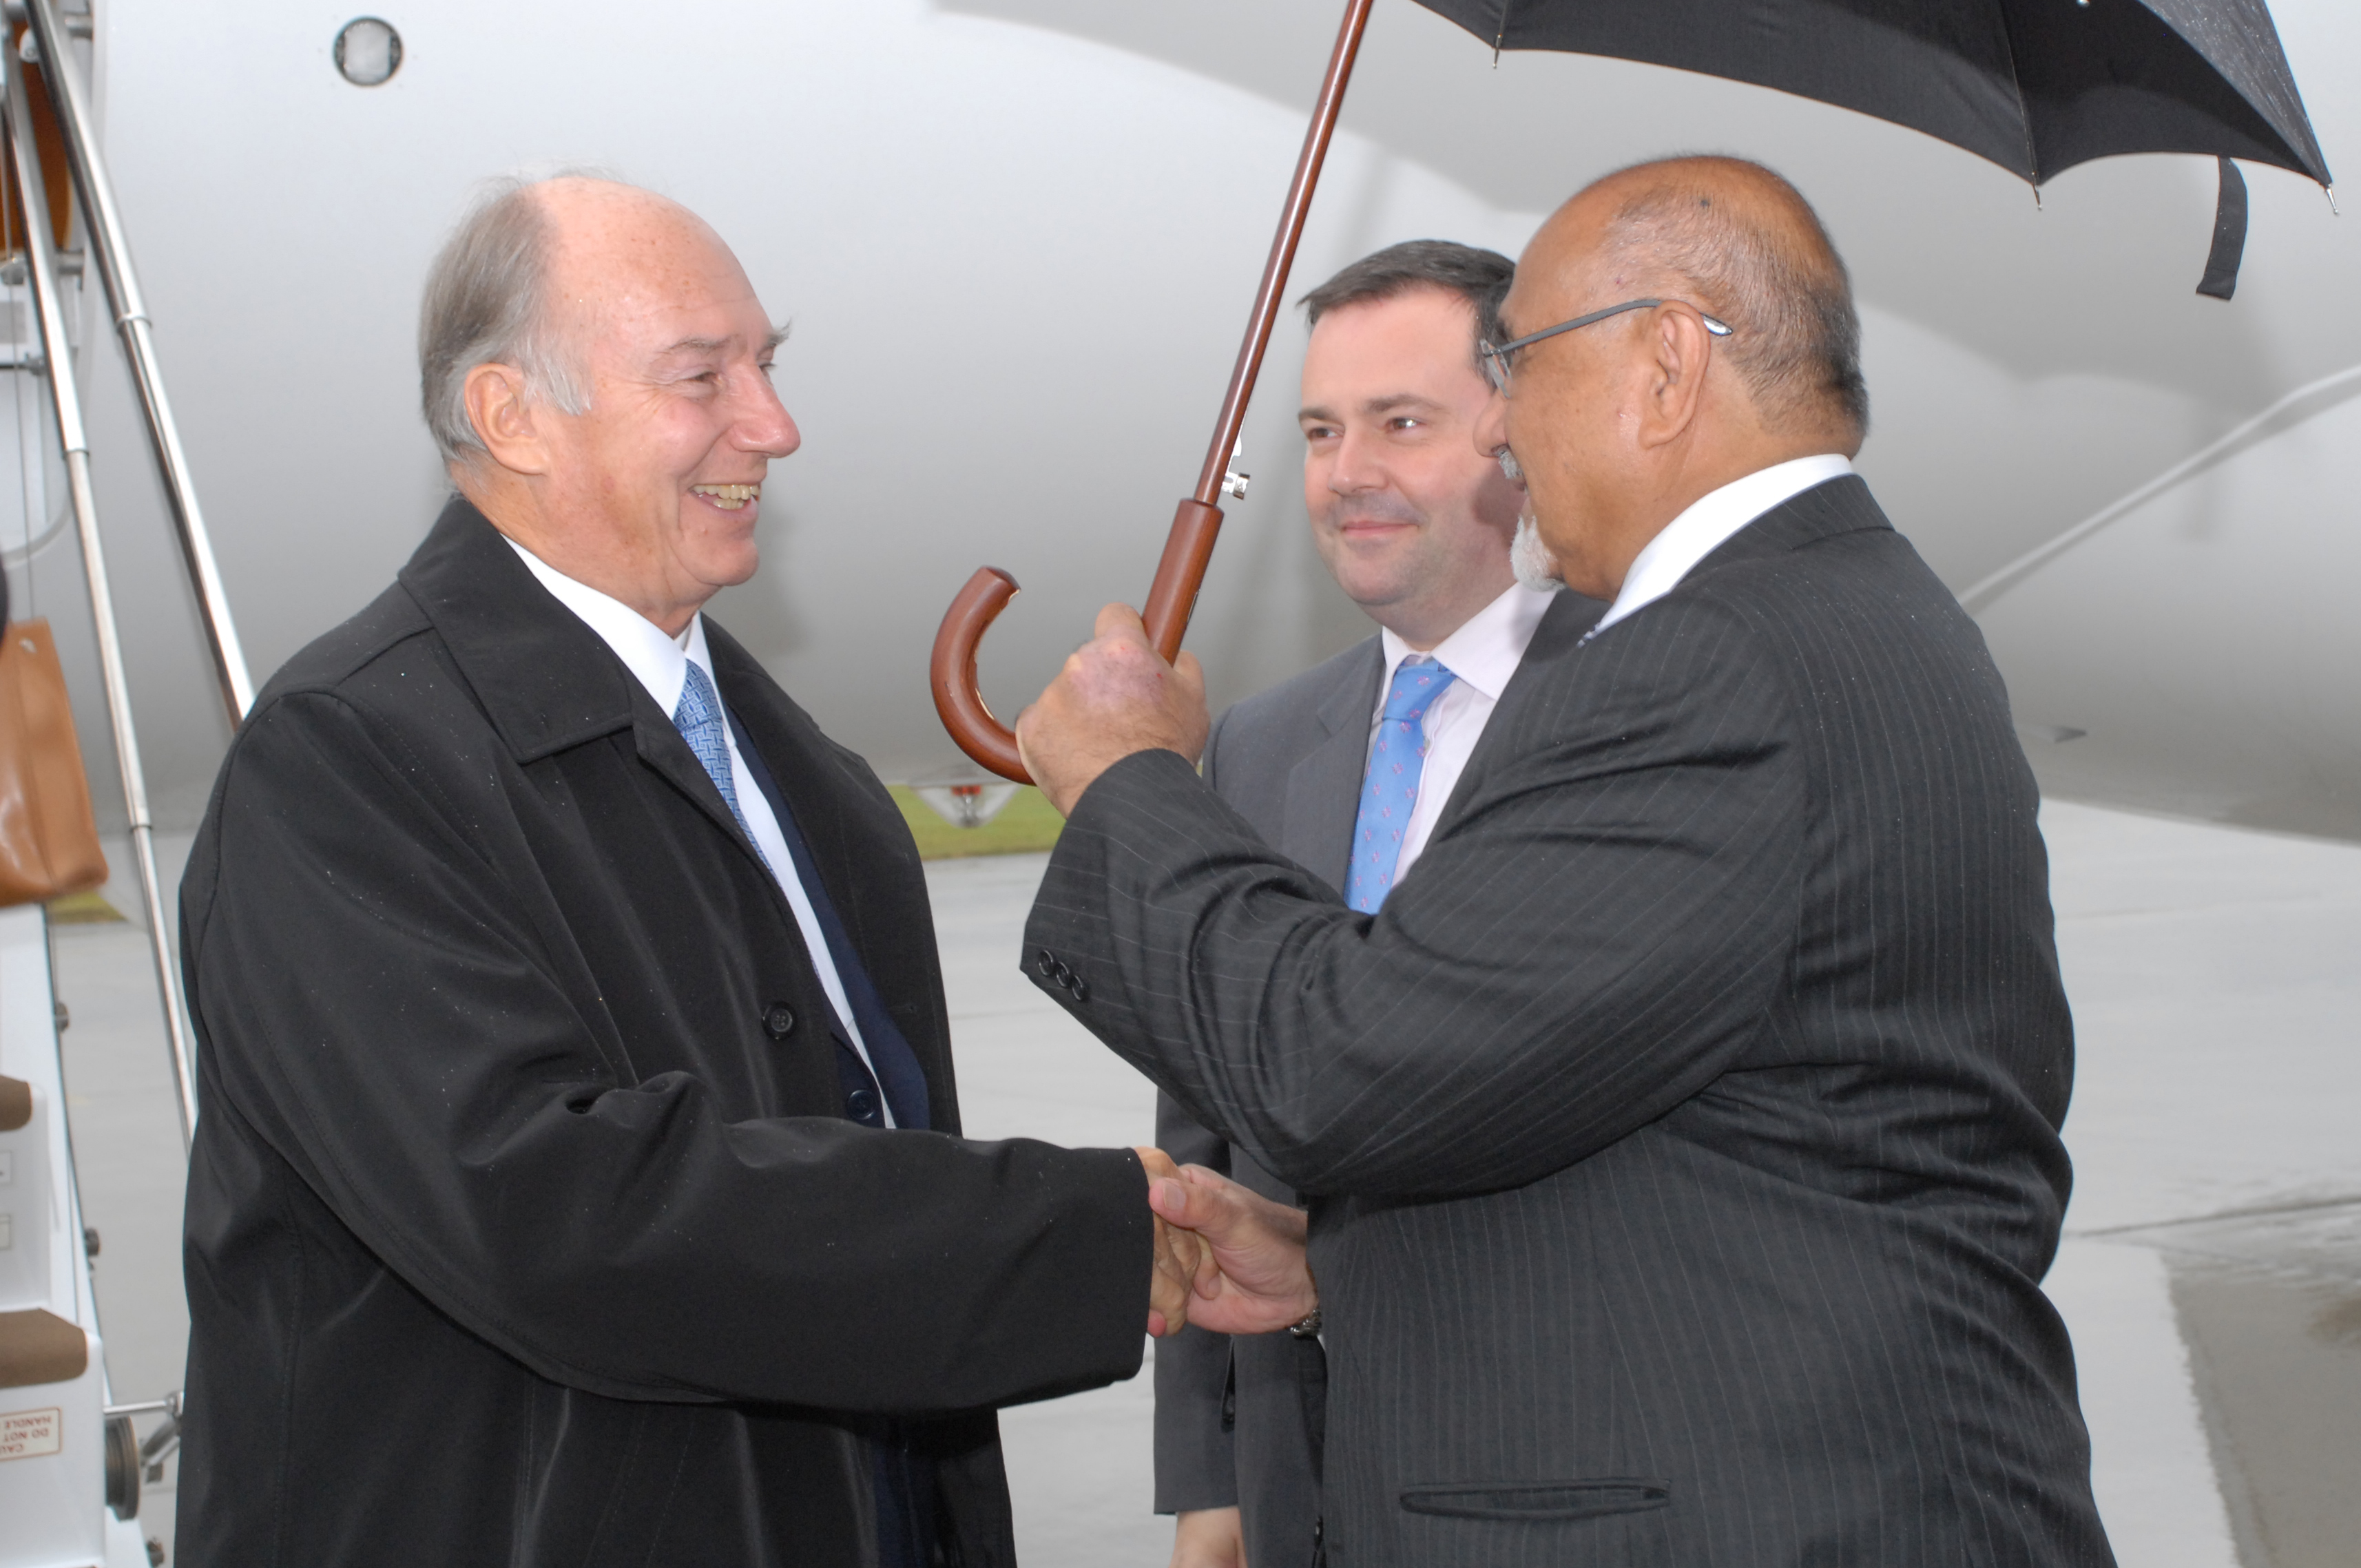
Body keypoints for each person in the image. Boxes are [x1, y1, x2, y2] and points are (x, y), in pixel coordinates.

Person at [172, 173, 1297, 1568]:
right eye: (702, 377)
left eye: (767, 365)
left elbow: (858, 1178)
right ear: (511, 416)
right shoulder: (344, 761)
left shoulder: (808, 781)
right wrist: (1091, 1235)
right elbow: (558, 1214)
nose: (774, 425)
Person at [1014, 156, 2115, 1565]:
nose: (1506, 435)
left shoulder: (1706, 665)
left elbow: (1342, 1062)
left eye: (1517, 366)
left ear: (1663, 364)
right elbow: (1667, 1124)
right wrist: (1340, 1264)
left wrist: (1129, 781)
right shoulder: (1851, 612)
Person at [1154, 240, 1603, 1568]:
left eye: (1400, 423)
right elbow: (1206, 1129)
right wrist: (1211, 1485)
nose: (1349, 472)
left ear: (1518, 432)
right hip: (1310, 1488)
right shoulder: (1258, 743)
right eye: (1320, 430)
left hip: (1562, 1477)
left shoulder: (1635, 708)